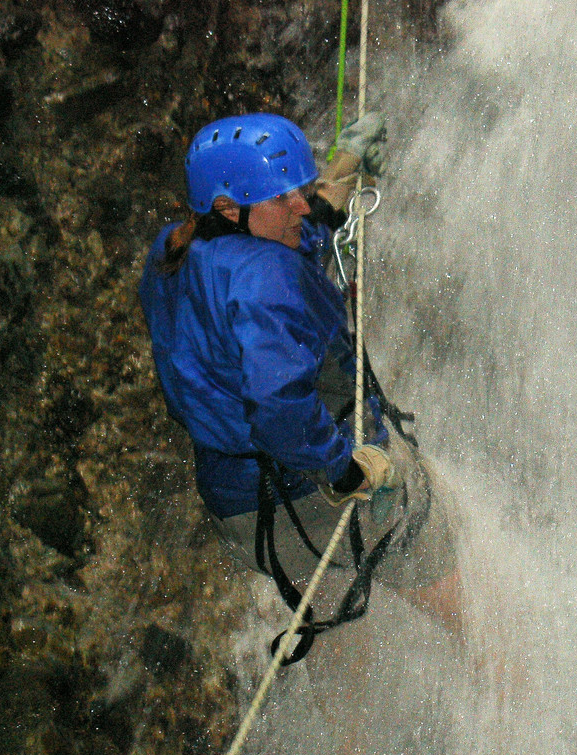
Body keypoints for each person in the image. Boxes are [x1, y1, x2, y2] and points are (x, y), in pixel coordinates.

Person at [138, 111, 462, 660]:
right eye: (283, 197)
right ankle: (523, 715)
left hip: (243, 508)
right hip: (316, 491)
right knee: (468, 601)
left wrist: (344, 167)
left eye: (300, 190)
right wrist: (346, 469)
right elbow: (279, 408)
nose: (301, 205)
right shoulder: (270, 279)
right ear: (227, 208)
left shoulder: (175, 249)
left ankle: (352, 750)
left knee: (339, 637)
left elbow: (288, 234)